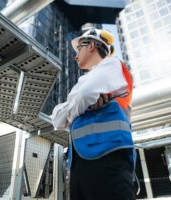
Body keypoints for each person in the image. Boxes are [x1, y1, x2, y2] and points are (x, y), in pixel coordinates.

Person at [51, 28, 136, 200]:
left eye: (78, 49)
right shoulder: (87, 80)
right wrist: (83, 106)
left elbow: (83, 96)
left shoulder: (112, 65)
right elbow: (56, 119)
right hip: (80, 161)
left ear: (90, 46)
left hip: (108, 156)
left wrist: (72, 109)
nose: (76, 56)